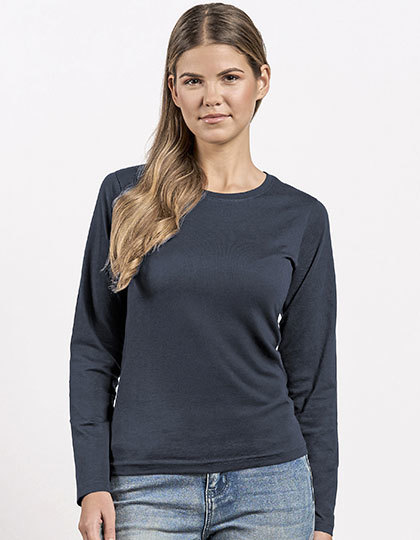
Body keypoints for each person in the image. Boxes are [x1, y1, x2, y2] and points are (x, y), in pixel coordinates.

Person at [69, 3, 339, 539]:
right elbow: (94, 347)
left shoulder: (302, 217)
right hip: (145, 486)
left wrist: (322, 518)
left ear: (262, 82)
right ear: (174, 89)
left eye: (230, 77)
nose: (211, 97)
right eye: (193, 80)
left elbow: (313, 377)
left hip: (272, 486)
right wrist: (92, 481)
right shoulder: (126, 197)